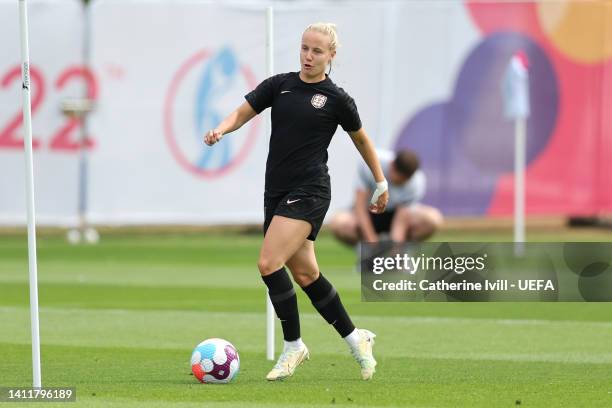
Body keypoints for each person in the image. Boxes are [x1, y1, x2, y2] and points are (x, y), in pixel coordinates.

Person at [204, 23, 389, 381]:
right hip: (276, 191)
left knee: (269, 262)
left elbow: (362, 141)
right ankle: (357, 339)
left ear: (331, 56)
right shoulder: (280, 84)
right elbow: (243, 111)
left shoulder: (336, 99)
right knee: (305, 274)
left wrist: (380, 182)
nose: (308, 56)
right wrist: (221, 129)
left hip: (311, 190)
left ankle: (294, 346)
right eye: (305, 48)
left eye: (317, 51)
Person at [330, 149, 443, 245]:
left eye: (404, 182)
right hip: (369, 212)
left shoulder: (417, 182)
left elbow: (401, 220)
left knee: (433, 219)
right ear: (392, 165)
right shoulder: (370, 163)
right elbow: (359, 207)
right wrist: (372, 244)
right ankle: (364, 250)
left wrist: (392, 251)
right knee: (338, 222)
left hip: (395, 216)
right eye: (399, 180)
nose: (400, 184)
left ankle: (402, 251)